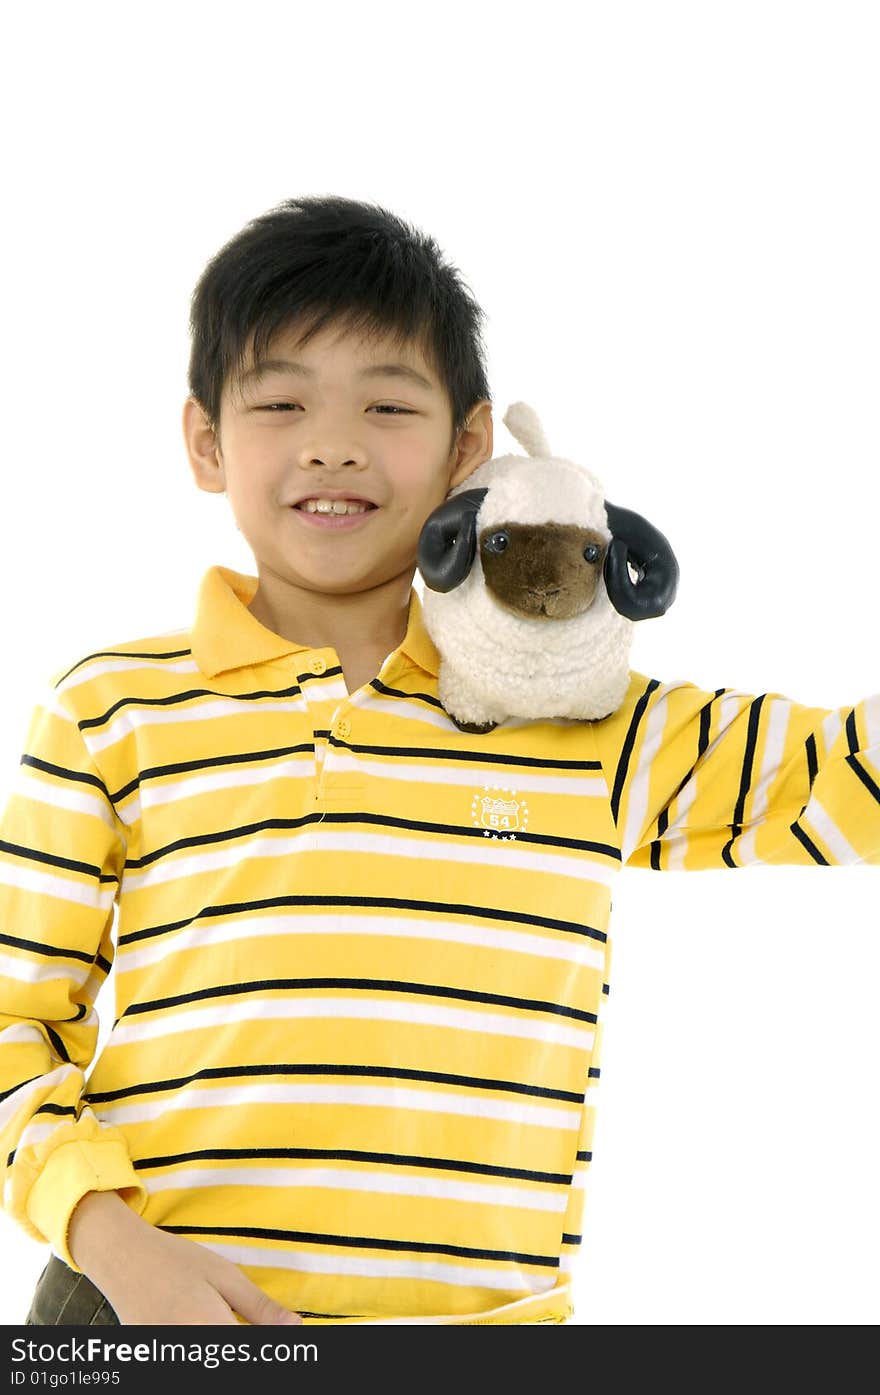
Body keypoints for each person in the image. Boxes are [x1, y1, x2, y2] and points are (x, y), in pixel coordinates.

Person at [2, 195, 878, 1328]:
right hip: (143, 1319)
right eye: (280, 402)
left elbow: (846, 775)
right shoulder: (110, 709)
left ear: (469, 447)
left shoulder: (588, 721)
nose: (333, 442)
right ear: (206, 443)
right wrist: (112, 1243)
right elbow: (15, 1024)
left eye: (386, 402)